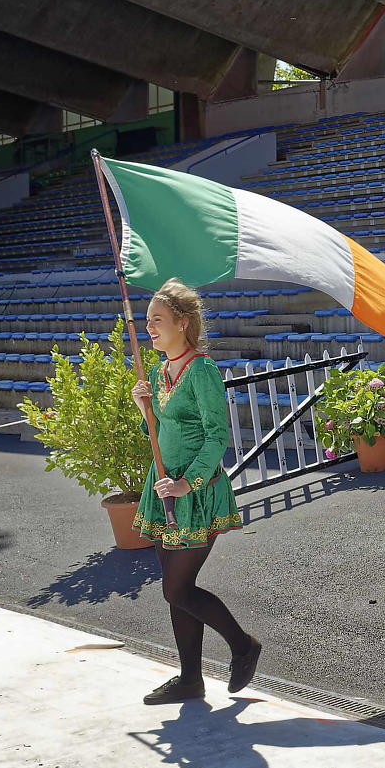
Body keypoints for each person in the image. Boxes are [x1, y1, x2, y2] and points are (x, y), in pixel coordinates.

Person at [127, 278, 258, 706]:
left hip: (194, 492)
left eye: (157, 320)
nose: (149, 327)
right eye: (147, 321)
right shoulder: (163, 371)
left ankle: (243, 646)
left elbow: (217, 435)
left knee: (177, 588)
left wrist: (188, 482)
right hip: (164, 487)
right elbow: (165, 432)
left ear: (183, 324)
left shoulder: (201, 370)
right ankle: (190, 680)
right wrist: (146, 409)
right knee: (174, 585)